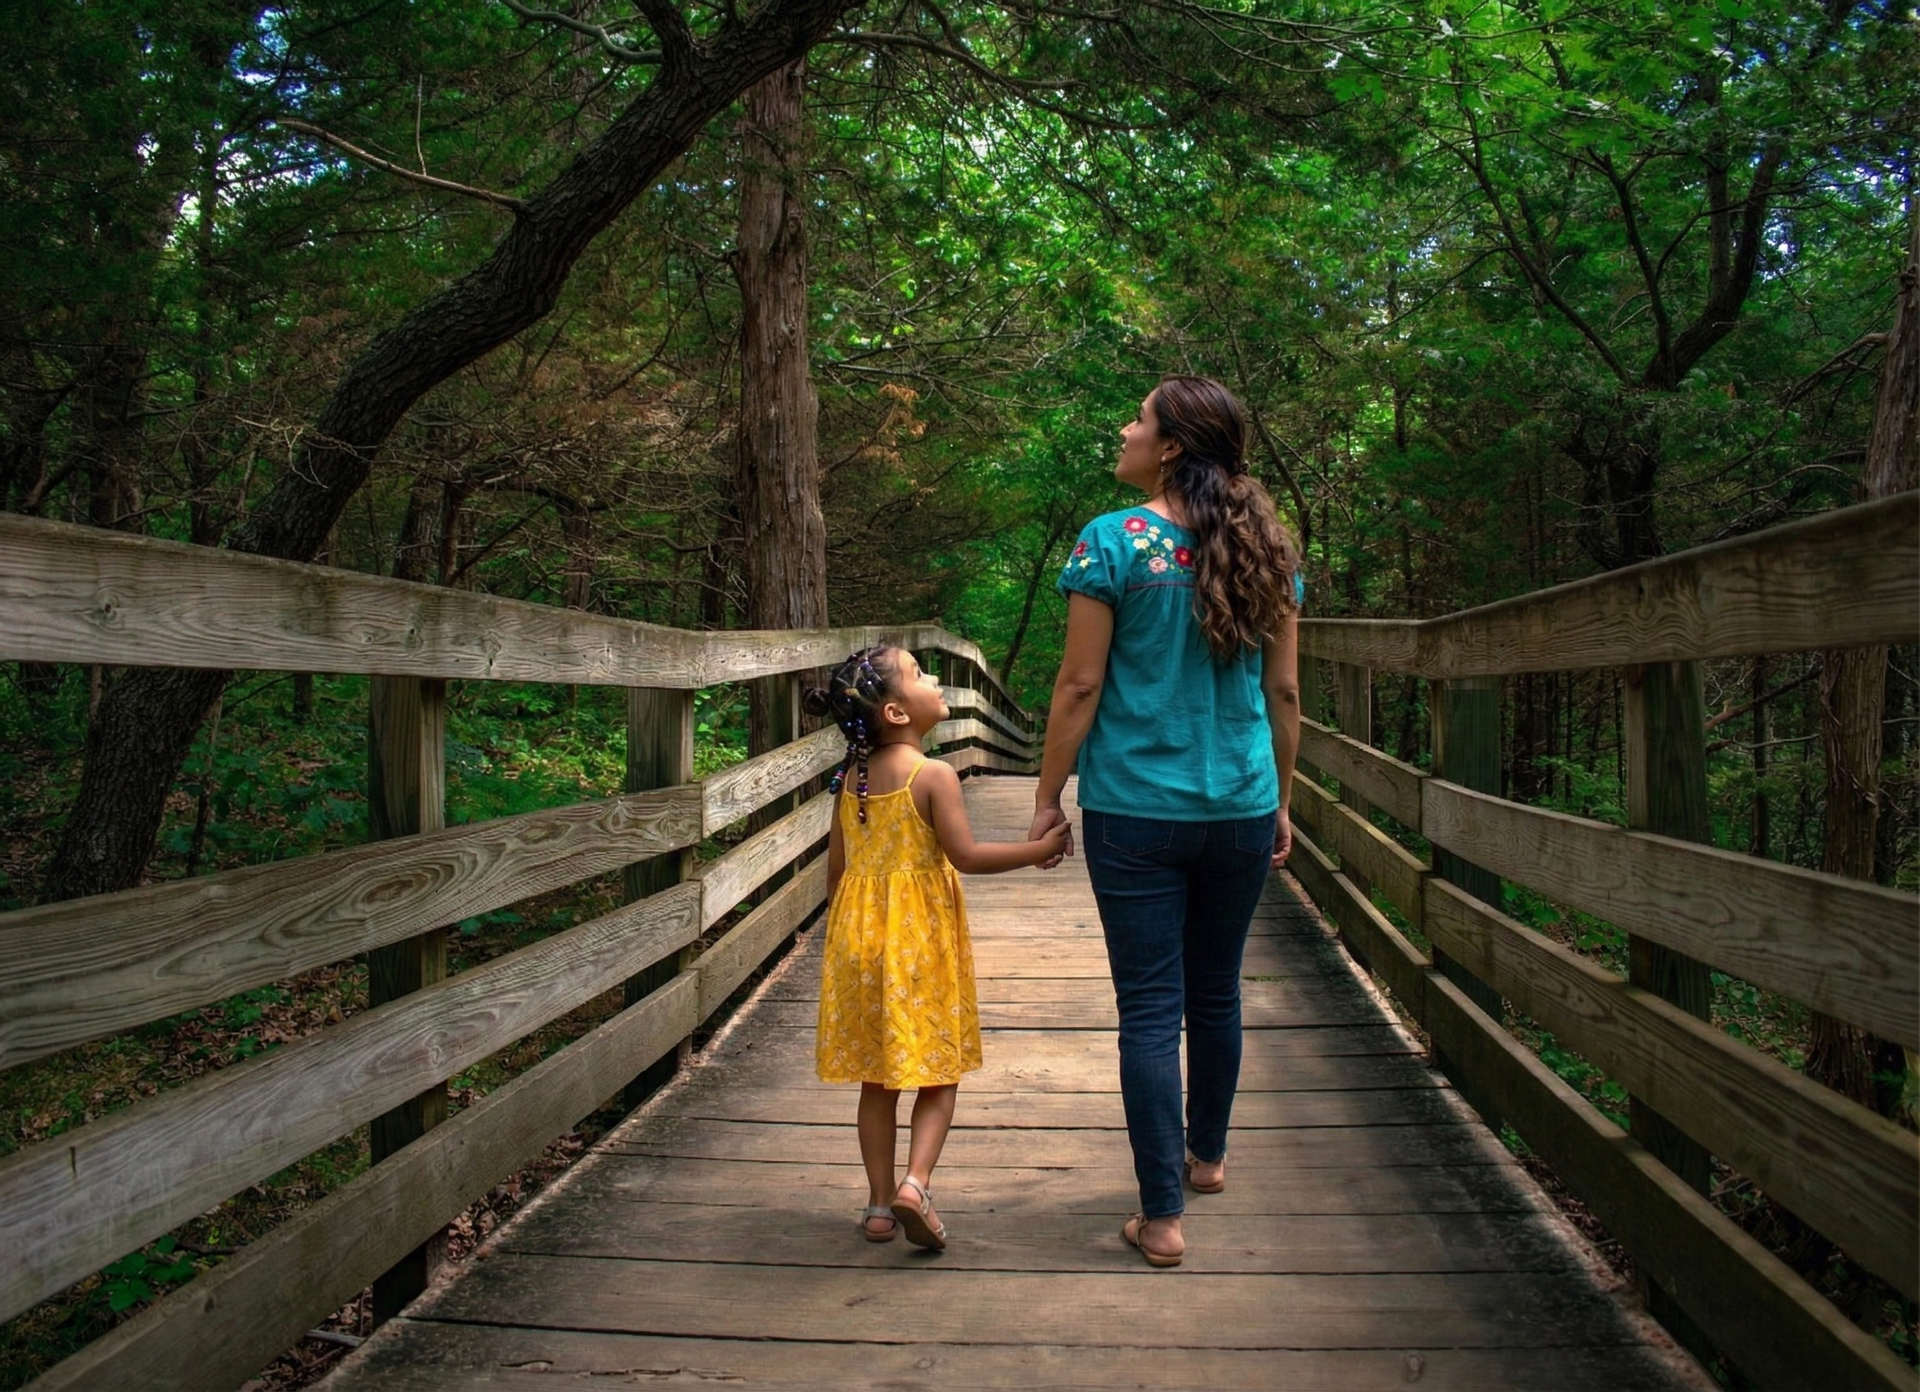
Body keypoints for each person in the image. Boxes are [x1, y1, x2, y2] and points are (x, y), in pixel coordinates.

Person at [1029, 374, 1301, 1268]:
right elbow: (1285, 692)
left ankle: (1162, 1215)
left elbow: (1078, 684)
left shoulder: (1113, 542)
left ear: (1172, 445)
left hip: (1137, 809)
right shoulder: (1268, 549)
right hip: (1241, 804)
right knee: (1215, 988)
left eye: (1136, 417)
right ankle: (1208, 1159)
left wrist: (1046, 796)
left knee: (1150, 1008)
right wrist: (1282, 801)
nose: (1124, 426)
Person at [808, 646, 1071, 1251]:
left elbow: (837, 873)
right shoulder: (933, 776)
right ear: (898, 712)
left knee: (878, 1082)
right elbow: (967, 857)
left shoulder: (854, 778)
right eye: (921, 673)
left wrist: (844, 943)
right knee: (939, 1071)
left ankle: (877, 1205)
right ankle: (915, 1185)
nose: (933, 679)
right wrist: (1038, 851)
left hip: (861, 942)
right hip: (919, 946)